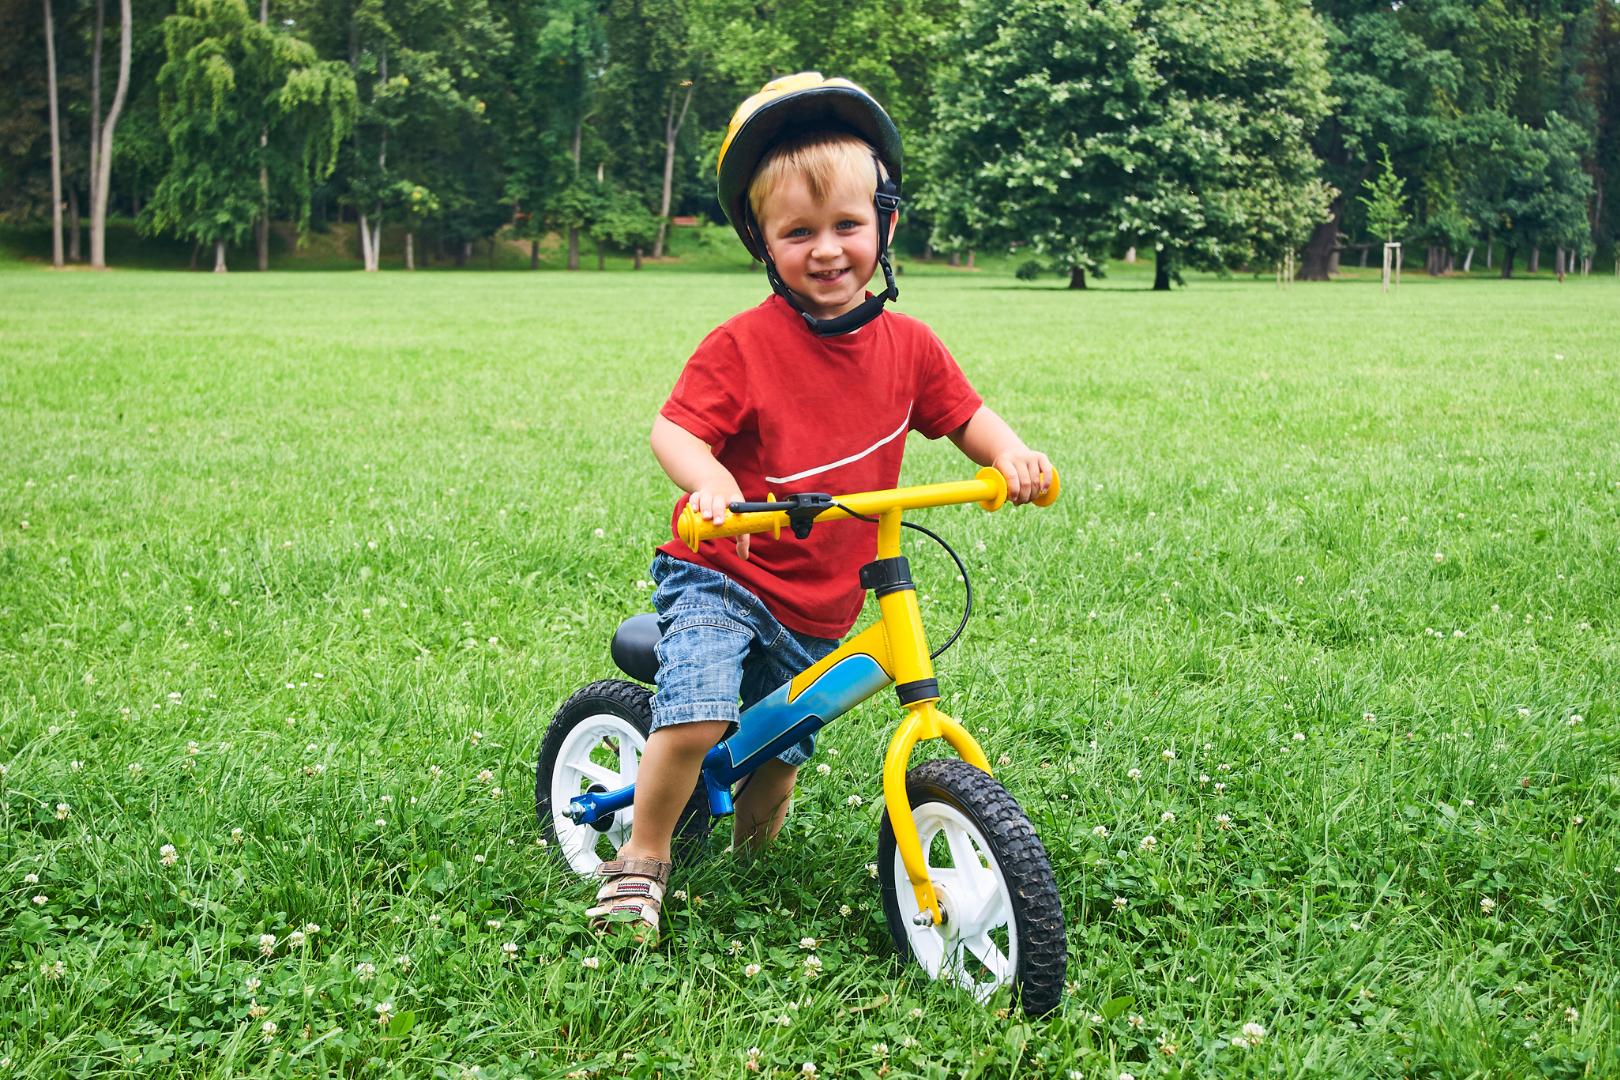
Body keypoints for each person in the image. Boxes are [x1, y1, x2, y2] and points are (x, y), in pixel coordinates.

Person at [587, 73, 1053, 942]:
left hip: (822, 597)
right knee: (697, 718)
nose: (827, 249)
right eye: (797, 232)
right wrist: (711, 483)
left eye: (847, 224)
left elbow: (966, 418)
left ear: (887, 223)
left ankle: (755, 865)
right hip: (724, 574)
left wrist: (1010, 456)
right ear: (763, 243)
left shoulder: (910, 347)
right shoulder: (743, 346)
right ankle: (642, 857)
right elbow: (675, 432)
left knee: (781, 748)